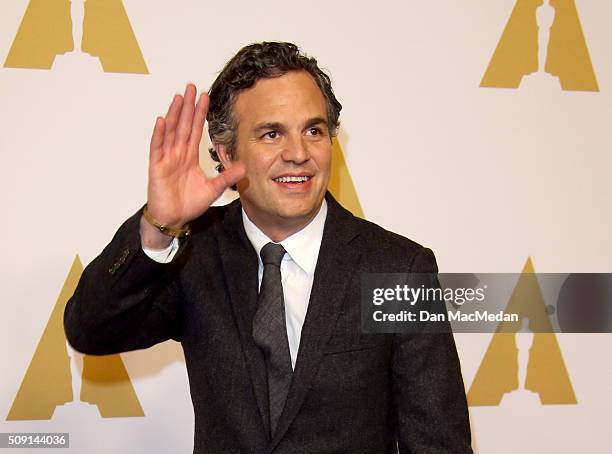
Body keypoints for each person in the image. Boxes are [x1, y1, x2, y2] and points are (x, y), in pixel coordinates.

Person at [64, 41, 472, 453]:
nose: (298, 154)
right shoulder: (194, 253)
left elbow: (439, 443)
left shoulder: (397, 268)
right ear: (226, 152)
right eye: (271, 133)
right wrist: (159, 228)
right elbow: (91, 330)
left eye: (313, 131)